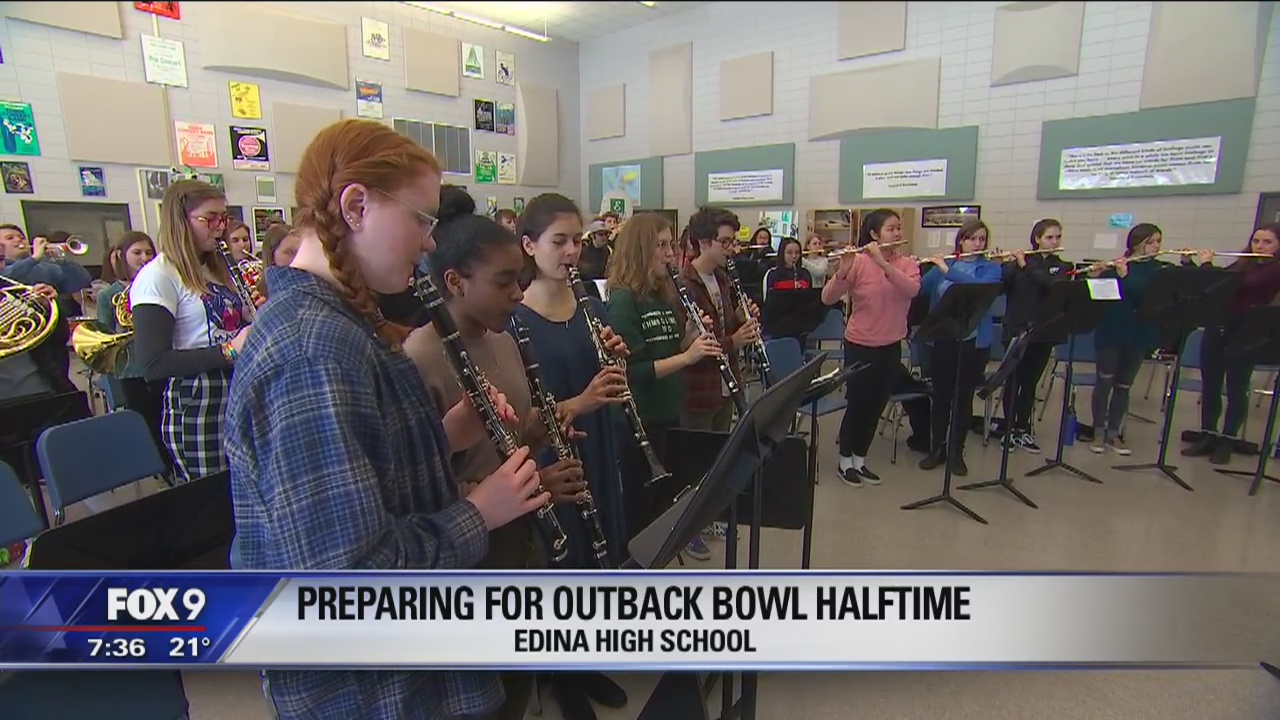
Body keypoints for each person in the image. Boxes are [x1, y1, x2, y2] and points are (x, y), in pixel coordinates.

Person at [225, 118, 547, 720]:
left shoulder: (340, 327)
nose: (430, 242)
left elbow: (365, 472)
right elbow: (349, 583)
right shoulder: (312, 352)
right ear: (355, 207)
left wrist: (444, 434)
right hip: (372, 692)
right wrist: (483, 510)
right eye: (422, 220)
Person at [403, 186, 593, 720]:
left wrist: (547, 432)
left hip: (518, 538)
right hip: (465, 554)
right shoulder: (419, 359)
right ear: (454, 283)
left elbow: (510, 436)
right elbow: (419, 490)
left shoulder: (503, 338)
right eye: (505, 281)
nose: (518, 293)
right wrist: (529, 490)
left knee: (517, 678)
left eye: (520, 280)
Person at [513, 192, 633, 720]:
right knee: (562, 558)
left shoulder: (589, 299)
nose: (570, 251)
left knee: (599, 550)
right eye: (558, 241)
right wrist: (581, 400)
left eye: (576, 241)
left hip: (599, 440)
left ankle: (583, 660)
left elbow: (606, 368)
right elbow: (522, 413)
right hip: (553, 458)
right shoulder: (514, 319)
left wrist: (618, 355)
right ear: (528, 245)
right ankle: (558, 674)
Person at [606, 212, 720, 546]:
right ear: (641, 250)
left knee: (663, 500)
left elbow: (669, 350)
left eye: (671, 244)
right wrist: (688, 357)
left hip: (669, 410)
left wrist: (690, 337)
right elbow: (633, 371)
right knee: (640, 506)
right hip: (640, 419)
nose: (671, 253)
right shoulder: (624, 299)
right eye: (662, 245)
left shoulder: (664, 293)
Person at [131, 180, 253, 482]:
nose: (219, 227)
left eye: (222, 218)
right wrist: (229, 350)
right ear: (180, 221)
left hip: (236, 385)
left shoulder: (215, 267)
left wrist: (248, 315)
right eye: (209, 218)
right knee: (214, 499)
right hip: (199, 398)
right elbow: (152, 363)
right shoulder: (158, 276)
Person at [1087, 224, 1213, 453]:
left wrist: (1188, 262)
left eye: (1158, 241)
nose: (1157, 246)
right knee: (1104, 381)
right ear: (1137, 243)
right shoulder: (1119, 264)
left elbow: (1153, 292)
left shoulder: (1161, 270)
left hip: (1141, 332)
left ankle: (1113, 434)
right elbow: (1098, 296)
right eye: (1152, 241)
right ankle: (1097, 433)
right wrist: (1095, 276)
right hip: (1111, 329)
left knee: (1124, 385)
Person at [820, 209, 920, 485]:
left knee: (877, 405)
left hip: (891, 344)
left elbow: (911, 291)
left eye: (899, 228)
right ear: (874, 235)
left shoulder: (908, 263)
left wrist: (884, 263)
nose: (897, 233)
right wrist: (842, 271)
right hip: (860, 344)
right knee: (858, 404)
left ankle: (860, 460)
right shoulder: (859, 263)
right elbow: (828, 298)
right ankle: (845, 461)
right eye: (891, 229)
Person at [1182, 223, 1280, 464]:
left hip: (1246, 332)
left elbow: (1245, 284)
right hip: (1220, 326)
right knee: (1211, 385)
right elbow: (1216, 284)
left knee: (1237, 388)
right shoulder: (1243, 263)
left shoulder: (1273, 269)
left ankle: (1227, 439)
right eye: (1256, 241)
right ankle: (1208, 435)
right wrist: (1191, 264)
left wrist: (1207, 264)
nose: (1259, 246)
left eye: (1267, 242)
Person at [917, 219, 1002, 476]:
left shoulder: (991, 269)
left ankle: (957, 451)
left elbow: (976, 290)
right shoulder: (947, 265)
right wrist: (912, 266)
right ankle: (937, 448)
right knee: (941, 396)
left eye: (981, 239)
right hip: (942, 340)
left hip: (973, 343)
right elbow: (919, 290)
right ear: (961, 241)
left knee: (963, 398)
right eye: (972, 238)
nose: (977, 243)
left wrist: (946, 270)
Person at [998, 219, 1073, 452]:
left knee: (1030, 383)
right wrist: (1005, 265)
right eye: (1050, 237)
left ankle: (1023, 428)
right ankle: (1008, 429)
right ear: (1037, 239)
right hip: (1017, 330)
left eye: (1058, 237)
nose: (1054, 242)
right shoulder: (1020, 263)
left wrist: (1025, 265)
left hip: (1044, 332)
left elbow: (1050, 285)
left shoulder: (1063, 266)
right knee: (1013, 380)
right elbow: (1002, 286)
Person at [254, 223, 301, 300]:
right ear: (272, 256)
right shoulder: (258, 295)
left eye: (300, 252)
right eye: (289, 252)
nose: (297, 257)